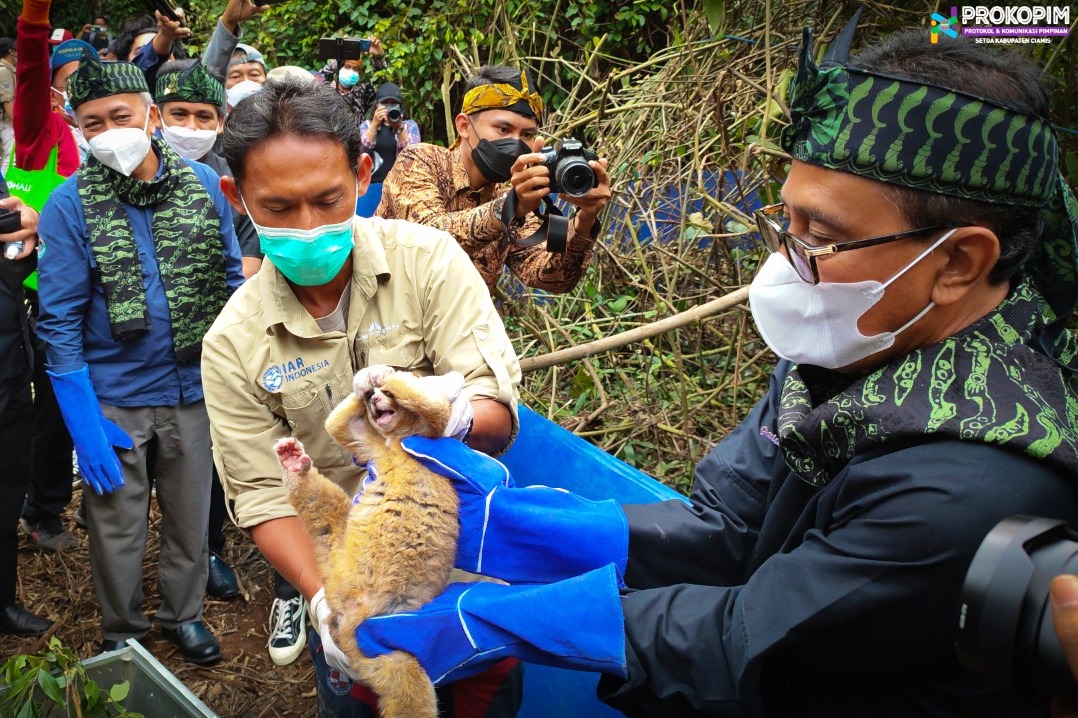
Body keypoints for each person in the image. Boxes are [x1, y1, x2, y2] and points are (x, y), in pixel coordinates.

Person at [355, 20, 1078, 718]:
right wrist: (491, 525)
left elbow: (746, 640)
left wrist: (498, 620)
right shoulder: (855, 345)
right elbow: (730, 530)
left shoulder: (968, 483)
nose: (783, 268)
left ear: (957, 262)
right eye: (784, 222)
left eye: (819, 238)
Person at [201, 78, 523, 716]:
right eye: (279, 208)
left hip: (470, 570)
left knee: (485, 700)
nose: (309, 227)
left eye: (327, 199)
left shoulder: (428, 262)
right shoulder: (234, 343)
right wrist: (330, 601)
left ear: (363, 172)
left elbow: (497, 416)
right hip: (356, 589)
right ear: (236, 195)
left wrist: (448, 413)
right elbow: (265, 497)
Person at [35, 54, 244, 662]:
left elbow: (232, 281)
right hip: (116, 397)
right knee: (117, 525)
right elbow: (60, 318)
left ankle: (184, 615)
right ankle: (122, 631)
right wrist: (80, 414)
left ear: (151, 115)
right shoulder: (70, 206)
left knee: (188, 517)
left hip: (194, 389)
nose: (107, 134)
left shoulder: (204, 185)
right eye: (91, 123)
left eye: (119, 117)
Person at [377, 64, 612, 295]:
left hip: (464, 329)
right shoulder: (420, 160)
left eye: (527, 134)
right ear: (464, 126)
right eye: (503, 129)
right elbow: (428, 241)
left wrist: (585, 220)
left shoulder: (509, 192)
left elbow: (552, 278)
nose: (516, 142)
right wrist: (509, 209)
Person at [0, 184, 53, 636]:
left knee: (7, 490)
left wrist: (32, 228)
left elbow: (21, 261)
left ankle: (2, 601)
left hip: (10, 371)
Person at [360, 82, 420, 185]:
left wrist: (399, 127)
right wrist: (374, 125)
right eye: (385, 104)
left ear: (400, 107)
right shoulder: (366, 126)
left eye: (393, 103)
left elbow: (413, 154)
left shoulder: (410, 126)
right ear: (377, 105)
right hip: (371, 187)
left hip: (400, 186)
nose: (389, 107)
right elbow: (360, 153)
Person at [320, 37, 386, 120]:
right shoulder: (325, 89)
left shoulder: (362, 91)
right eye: (347, 67)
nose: (351, 71)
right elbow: (321, 76)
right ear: (338, 68)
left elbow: (381, 83)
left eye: (356, 69)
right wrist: (340, 52)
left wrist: (378, 56)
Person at [0, 38, 15, 175]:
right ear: (11, 52)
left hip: (7, 121)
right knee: (10, 157)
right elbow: (7, 100)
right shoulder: (4, 70)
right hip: (6, 122)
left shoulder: (10, 70)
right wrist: (18, 123)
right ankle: (4, 190)